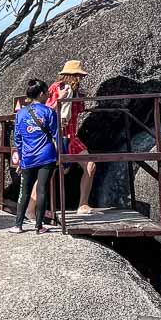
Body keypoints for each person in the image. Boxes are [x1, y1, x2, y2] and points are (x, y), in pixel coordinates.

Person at [9, 79, 60, 235]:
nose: (48, 94)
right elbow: (56, 135)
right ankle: (39, 227)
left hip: (28, 157)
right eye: (46, 92)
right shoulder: (49, 112)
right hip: (46, 156)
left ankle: (18, 225)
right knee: (42, 189)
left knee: (24, 191)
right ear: (41, 94)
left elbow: (17, 138)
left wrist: (22, 156)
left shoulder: (21, 113)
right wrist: (60, 155)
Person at [47, 60, 97, 214]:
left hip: (72, 136)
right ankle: (33, 206)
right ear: (71, 75)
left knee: (91, 165)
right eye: (77, 75)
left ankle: (83, 204)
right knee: (50, 171)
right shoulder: (56, 87)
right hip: (57, 135)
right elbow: (46, 109)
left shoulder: (76, 91)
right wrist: (60, 98)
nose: (79, 78)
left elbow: (79, 110)